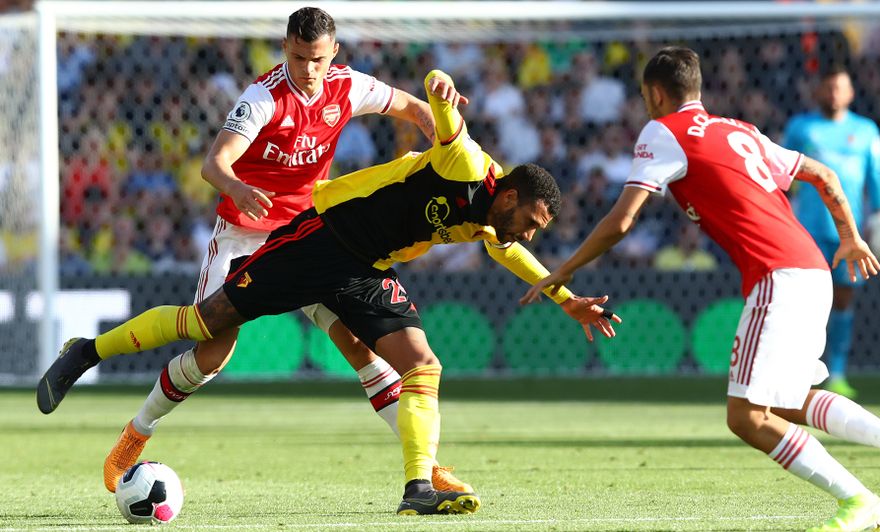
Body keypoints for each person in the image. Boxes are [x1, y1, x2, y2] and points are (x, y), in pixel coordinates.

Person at [37, 69, 619, 515]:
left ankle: (419, 481)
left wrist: (563, 297)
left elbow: (505, 249)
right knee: (205, 329)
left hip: (366, 268)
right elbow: (444, 114)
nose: (530, 234)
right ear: (511, 197)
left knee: (419, 364)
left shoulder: (492, 221)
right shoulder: (465, 165)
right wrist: (440, 87)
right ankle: (87, 352)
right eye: (532, 222)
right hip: (317, 238)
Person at [523, 47, 880, 531]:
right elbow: (823, 175)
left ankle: (860, 501)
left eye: (643, 96)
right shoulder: (741, 130)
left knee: (746, 416)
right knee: (784, 401)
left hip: (777, 274)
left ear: (655, 94)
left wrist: (565, 270)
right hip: (811, 269)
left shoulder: (663, 131)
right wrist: (850, 237)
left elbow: (622, 220)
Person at [87, 7, 473, 496]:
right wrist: (237, 187)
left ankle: (426, 467)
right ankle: (137, 432)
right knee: (212, 353)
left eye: (317, 59)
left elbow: (414, 108)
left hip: (310, 235)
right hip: (244, 232)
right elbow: (214, 164)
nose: (308, 69)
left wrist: (442, 128)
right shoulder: (263, 97)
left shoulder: (348, 86)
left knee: (357, 345)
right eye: (298, 57)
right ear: (285, 47)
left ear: (333, 53)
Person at [782, 65, 880, 399]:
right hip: (808, 229)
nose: (833, 94)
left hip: (847, 232)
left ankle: (837, 372)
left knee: (843, 299)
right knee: (804, 301)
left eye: (839, 88)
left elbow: (875, 176)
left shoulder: (866, 130)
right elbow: (782, 175)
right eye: (828, 88)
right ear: (818, 91)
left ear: (851, 93)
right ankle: (798, 371)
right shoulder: (801, 127)